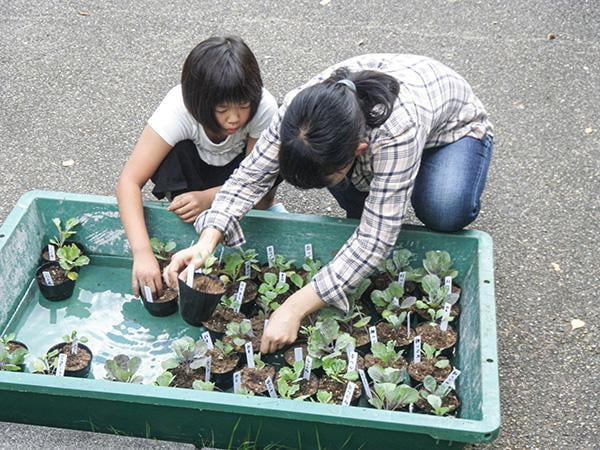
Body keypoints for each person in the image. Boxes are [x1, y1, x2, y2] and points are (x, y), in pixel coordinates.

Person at [163, 54, 494, 353]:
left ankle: (424, 175)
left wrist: (293, 307)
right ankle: (373, 182)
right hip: (369, 134)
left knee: (442, 207)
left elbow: (376, 238)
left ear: (358, 151)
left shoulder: (399, 130)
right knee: (353, 196)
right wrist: (205, 243)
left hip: (454, 131)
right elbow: (249, 177)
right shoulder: (298, 113)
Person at [116, 36, 279, 298]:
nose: (234, 117)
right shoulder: (178, 109)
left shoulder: (264, 109)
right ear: (199, 102)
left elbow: (255, 181)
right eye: (222, 108)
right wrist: (142, 252)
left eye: (243, 105)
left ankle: (252, 215)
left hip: (238, 182)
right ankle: (189, 219)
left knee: (274, 162)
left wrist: (207, 198)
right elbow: (129, 181)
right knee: (170, 153)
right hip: (194, 176)